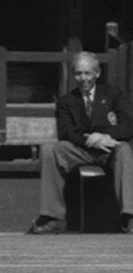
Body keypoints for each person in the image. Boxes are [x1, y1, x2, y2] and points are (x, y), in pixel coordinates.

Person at [27, 53, 133, 234]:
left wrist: (102, 136)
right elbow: (65, 132)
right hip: (80, 149)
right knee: (50, 149)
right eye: (78, 74)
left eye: (87, 73)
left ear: (97, 73)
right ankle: (53, 217)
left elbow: (128, 126)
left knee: (124, 149)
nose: (83, 78)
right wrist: (89, 140)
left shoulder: (114, 94)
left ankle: (129, 217)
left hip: (109, 149)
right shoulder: (66, 101)